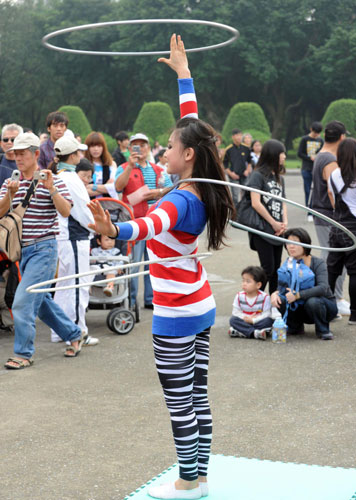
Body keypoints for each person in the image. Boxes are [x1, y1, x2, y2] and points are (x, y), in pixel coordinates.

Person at [88, 34, 235, 500]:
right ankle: (201, 473)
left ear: (187, 156)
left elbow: (148, 226)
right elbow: (193, 126)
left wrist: (113, 231)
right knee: (198, 393)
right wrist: (184, 76)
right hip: (201, 304)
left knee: (180, 403)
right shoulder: (203, 187)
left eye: (168, 148)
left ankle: (188, 480)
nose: (162, 152)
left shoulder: (178, 199)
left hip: (175, 313)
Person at [0, 132, 84, 369]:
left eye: (22, 153)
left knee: (22, 303)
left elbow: (66, 211)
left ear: (36, 154)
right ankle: (74, 334)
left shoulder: (53, 179)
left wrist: (51, 188)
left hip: (45, 249)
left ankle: (23, 353)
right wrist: (10, 194)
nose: (17, 158)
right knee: (42, 301)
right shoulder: (11, 182)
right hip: (22, 252)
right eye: (15, 153)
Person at [48, 136, 99, 346]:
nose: (81, 155)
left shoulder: (60, 176)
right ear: (72, 155)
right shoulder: (71, 179)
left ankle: (61, 331)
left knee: (65, 286)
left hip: (66, 237)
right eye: (78, 152)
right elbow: (84, 213)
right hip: (74, 237)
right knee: (77, 286)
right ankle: (77, 332)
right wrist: (97, 228)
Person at [114, 133, 173, 310]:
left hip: (154, 221)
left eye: (142, 145)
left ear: (148, 148)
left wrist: (158, 192)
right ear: (130, 148)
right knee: (133, 263)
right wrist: (130, 167)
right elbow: (118, 187)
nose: (139, 148)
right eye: (135, 145)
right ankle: (131, 300)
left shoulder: (157, 169)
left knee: (152, 263)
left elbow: (170, 187)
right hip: (133, 221)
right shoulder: (124, 167)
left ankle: (150, 299)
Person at [312, 120, 350, 316]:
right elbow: (332, 191)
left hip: (321, 213)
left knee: (332, 257)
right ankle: (335, 297)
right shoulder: (330, 160)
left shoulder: (321, 155)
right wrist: (343, 213)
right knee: (336, 258)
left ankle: (333, 297)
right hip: (329, 215)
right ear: (342, 137)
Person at [271, 228, 337, 340]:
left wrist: (297, 295)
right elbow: (283, 287)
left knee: (313, 301)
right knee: (280, 299)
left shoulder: (318, 263)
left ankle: (323, 330)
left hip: (323, 306)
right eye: (288, 243)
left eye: (295, 242)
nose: (291, 246)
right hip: (300, 307)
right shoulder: (288, 263)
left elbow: (323, 288)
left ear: (305, 244)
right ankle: (294, 327)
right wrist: (274, 294)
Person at [246, 139, 288, 294]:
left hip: (277, 229)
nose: (284, 156)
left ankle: (273, 302)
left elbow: (283, 201)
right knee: (268, 268)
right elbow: (255, 203)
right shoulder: (257, 176)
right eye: (281, 153)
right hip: (262, 228)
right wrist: (273, 222)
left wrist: (284, 222)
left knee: (277, 269)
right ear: (273, 155)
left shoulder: (279, 178)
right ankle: (256, 301)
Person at [327, 137, 356, 325]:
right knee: (354, 272)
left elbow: (333, 198)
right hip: (353, 228)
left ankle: (327, 310)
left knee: (332, 270)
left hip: (336, 226)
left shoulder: (334, 174)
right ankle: (354, 314)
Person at [228, 266, 273, 340]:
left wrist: (253, 320)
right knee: (233, 320)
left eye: (248, 281)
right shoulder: (239, 296)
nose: (244, 284)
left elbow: (267, 313)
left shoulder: (265, 297)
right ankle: (255, 333)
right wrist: (246, 318)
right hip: (244, 320)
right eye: (243, 281)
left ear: (258, 285)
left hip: (257, 321)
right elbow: (235, 312)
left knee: (268, 321)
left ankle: (241, 332)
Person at [298, 121, 323, 221]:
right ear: (311, 129)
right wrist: (310, 158)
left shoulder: (321, 140)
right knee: (308, 190)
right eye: (315, 132)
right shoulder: (304, 139)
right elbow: (300, 153)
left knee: (316, 190)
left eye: (318, 133)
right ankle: (309, 211)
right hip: (306, 169)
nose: (316, 135)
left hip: (317, 169)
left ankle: (315, 210)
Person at [223, 128, 252, 208]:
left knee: (246, 195)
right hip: (234, 175)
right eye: (237, 135)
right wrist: (230, 173)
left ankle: (244, 212)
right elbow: (224, 164)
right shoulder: (228, 149)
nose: (239, 137)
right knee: (235, 197)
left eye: (240, 135)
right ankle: (235, 214)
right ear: (233, 137)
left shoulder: (246, 148)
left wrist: (247, 170)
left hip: (244, 175)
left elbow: (250, 161)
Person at [84, 132, 118, 199]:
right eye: (92, 146)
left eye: (99, 146)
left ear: (103, 147)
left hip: (109, 205)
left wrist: (93, 187)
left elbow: (114, 187)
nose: (96, 149)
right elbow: (84, 190)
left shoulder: (111, 164)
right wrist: (105, 188)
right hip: (89, 204)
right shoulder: (83, 164)